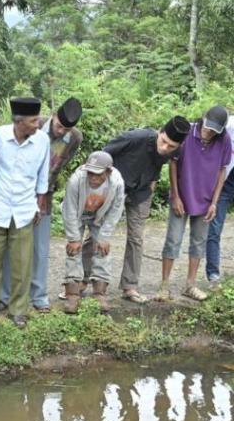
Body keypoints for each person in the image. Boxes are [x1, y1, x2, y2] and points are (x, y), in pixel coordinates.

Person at [0, 97, 83, 312]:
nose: (62, 131)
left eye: (67, 129)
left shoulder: (74, 138)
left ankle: (39, 296)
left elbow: (58, 168)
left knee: (40, 249)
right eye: (59, 126)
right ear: (53, 116)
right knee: (13, 246)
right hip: (19, 194)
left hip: (44, 195)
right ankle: (5, 296)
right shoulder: (33, 126)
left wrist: (44, 195)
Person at [0, 97, 50, 328]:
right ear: (19, 121)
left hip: (25, 209)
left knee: (21, 263)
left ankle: (18, 310)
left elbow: (42, 176)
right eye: (33, 121)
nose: (38, 124)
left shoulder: (42, 141)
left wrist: (39, 205)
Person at [104, 115, 191, 303]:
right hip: (115, 187)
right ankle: (82, 283)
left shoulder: (174, 150)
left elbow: (159, 165)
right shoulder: (136, 137)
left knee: (136, 238)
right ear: (159, 132)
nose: (165, 148)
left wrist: (152, 184)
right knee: (98, 234)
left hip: (142, 192)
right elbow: (103, 155)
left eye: (171, 147)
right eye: (164, 142)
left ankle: (130, 286)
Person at [157, 106, 231, 302]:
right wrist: (175, 195)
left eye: (215, 130)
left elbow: (222, 171)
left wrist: (215, 202)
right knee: (173, 239)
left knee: (198, 243)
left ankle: (190, 285)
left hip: (206, 199)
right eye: (208, 127)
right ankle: (164, 285)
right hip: (182, 195)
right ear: (203, 119)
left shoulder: (224, 141)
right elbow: (173, 162)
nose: (210, 132)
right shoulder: (187, 132)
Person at [61, 151, 125, 313]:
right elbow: (69, 209)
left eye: (98, 174)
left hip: (100, 216)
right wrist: (74, 238)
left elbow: (116, 209)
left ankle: (99, 292)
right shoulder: (76, 180)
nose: (93, 178)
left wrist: (104, 236)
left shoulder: (117, 183)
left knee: (102, 249)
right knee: (73, 250)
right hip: (77, 214)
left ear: (108, 172)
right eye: (90, 173)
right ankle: (73, 293)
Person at [205, 114, 234, 286]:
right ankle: (213, 274)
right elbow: (203, 127)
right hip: (224, 182)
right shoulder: (229, 124)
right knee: (215, 228)